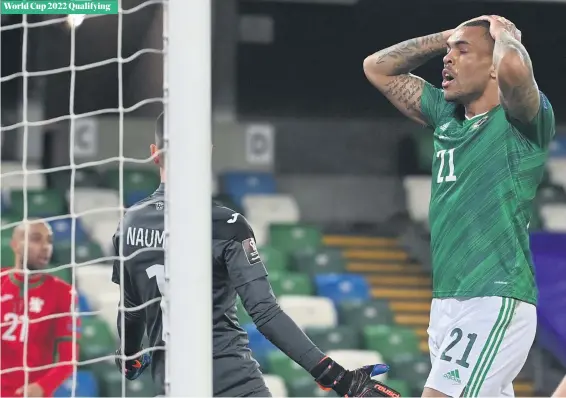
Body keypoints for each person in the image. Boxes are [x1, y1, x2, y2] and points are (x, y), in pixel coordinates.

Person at [111, 112, 401, 397]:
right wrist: (338, 378)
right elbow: (265, 312)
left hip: (172, 385)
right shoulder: (225, 225)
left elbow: (131, 309)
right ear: (206, 151)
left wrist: (128, 357)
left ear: (154, 153)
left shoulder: (129, 224)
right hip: (233, 385)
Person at [363, 15, 554, 398]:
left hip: (495, 294)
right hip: (447, 298)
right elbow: (376, 67)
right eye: (449, 52)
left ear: (495, 67)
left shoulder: (522, 122)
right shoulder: (446, 116)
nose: (447, 60)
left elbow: (517, 68)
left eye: (462, 52)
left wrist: (502, 35)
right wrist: (446, 37)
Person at [1, 219, 80, 397]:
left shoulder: (63, 293)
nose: (46, 247)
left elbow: (69, 359)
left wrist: (42, 387)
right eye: (36, 239)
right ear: (15, 245)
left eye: (49, 241)